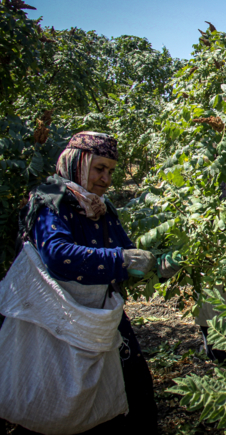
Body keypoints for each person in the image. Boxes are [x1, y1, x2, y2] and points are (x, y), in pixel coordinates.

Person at [12, 132, 159, 434]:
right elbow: (57, 255)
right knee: (60, 394)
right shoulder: (50, 200)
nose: (106, 178)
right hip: (56, 319)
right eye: (99, 168)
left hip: (101, 313)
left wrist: (158, 263)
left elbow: (125, 250)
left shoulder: (101, 208)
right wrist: (122, 260)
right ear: (78, 163)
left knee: (134, 389)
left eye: (111, 171)